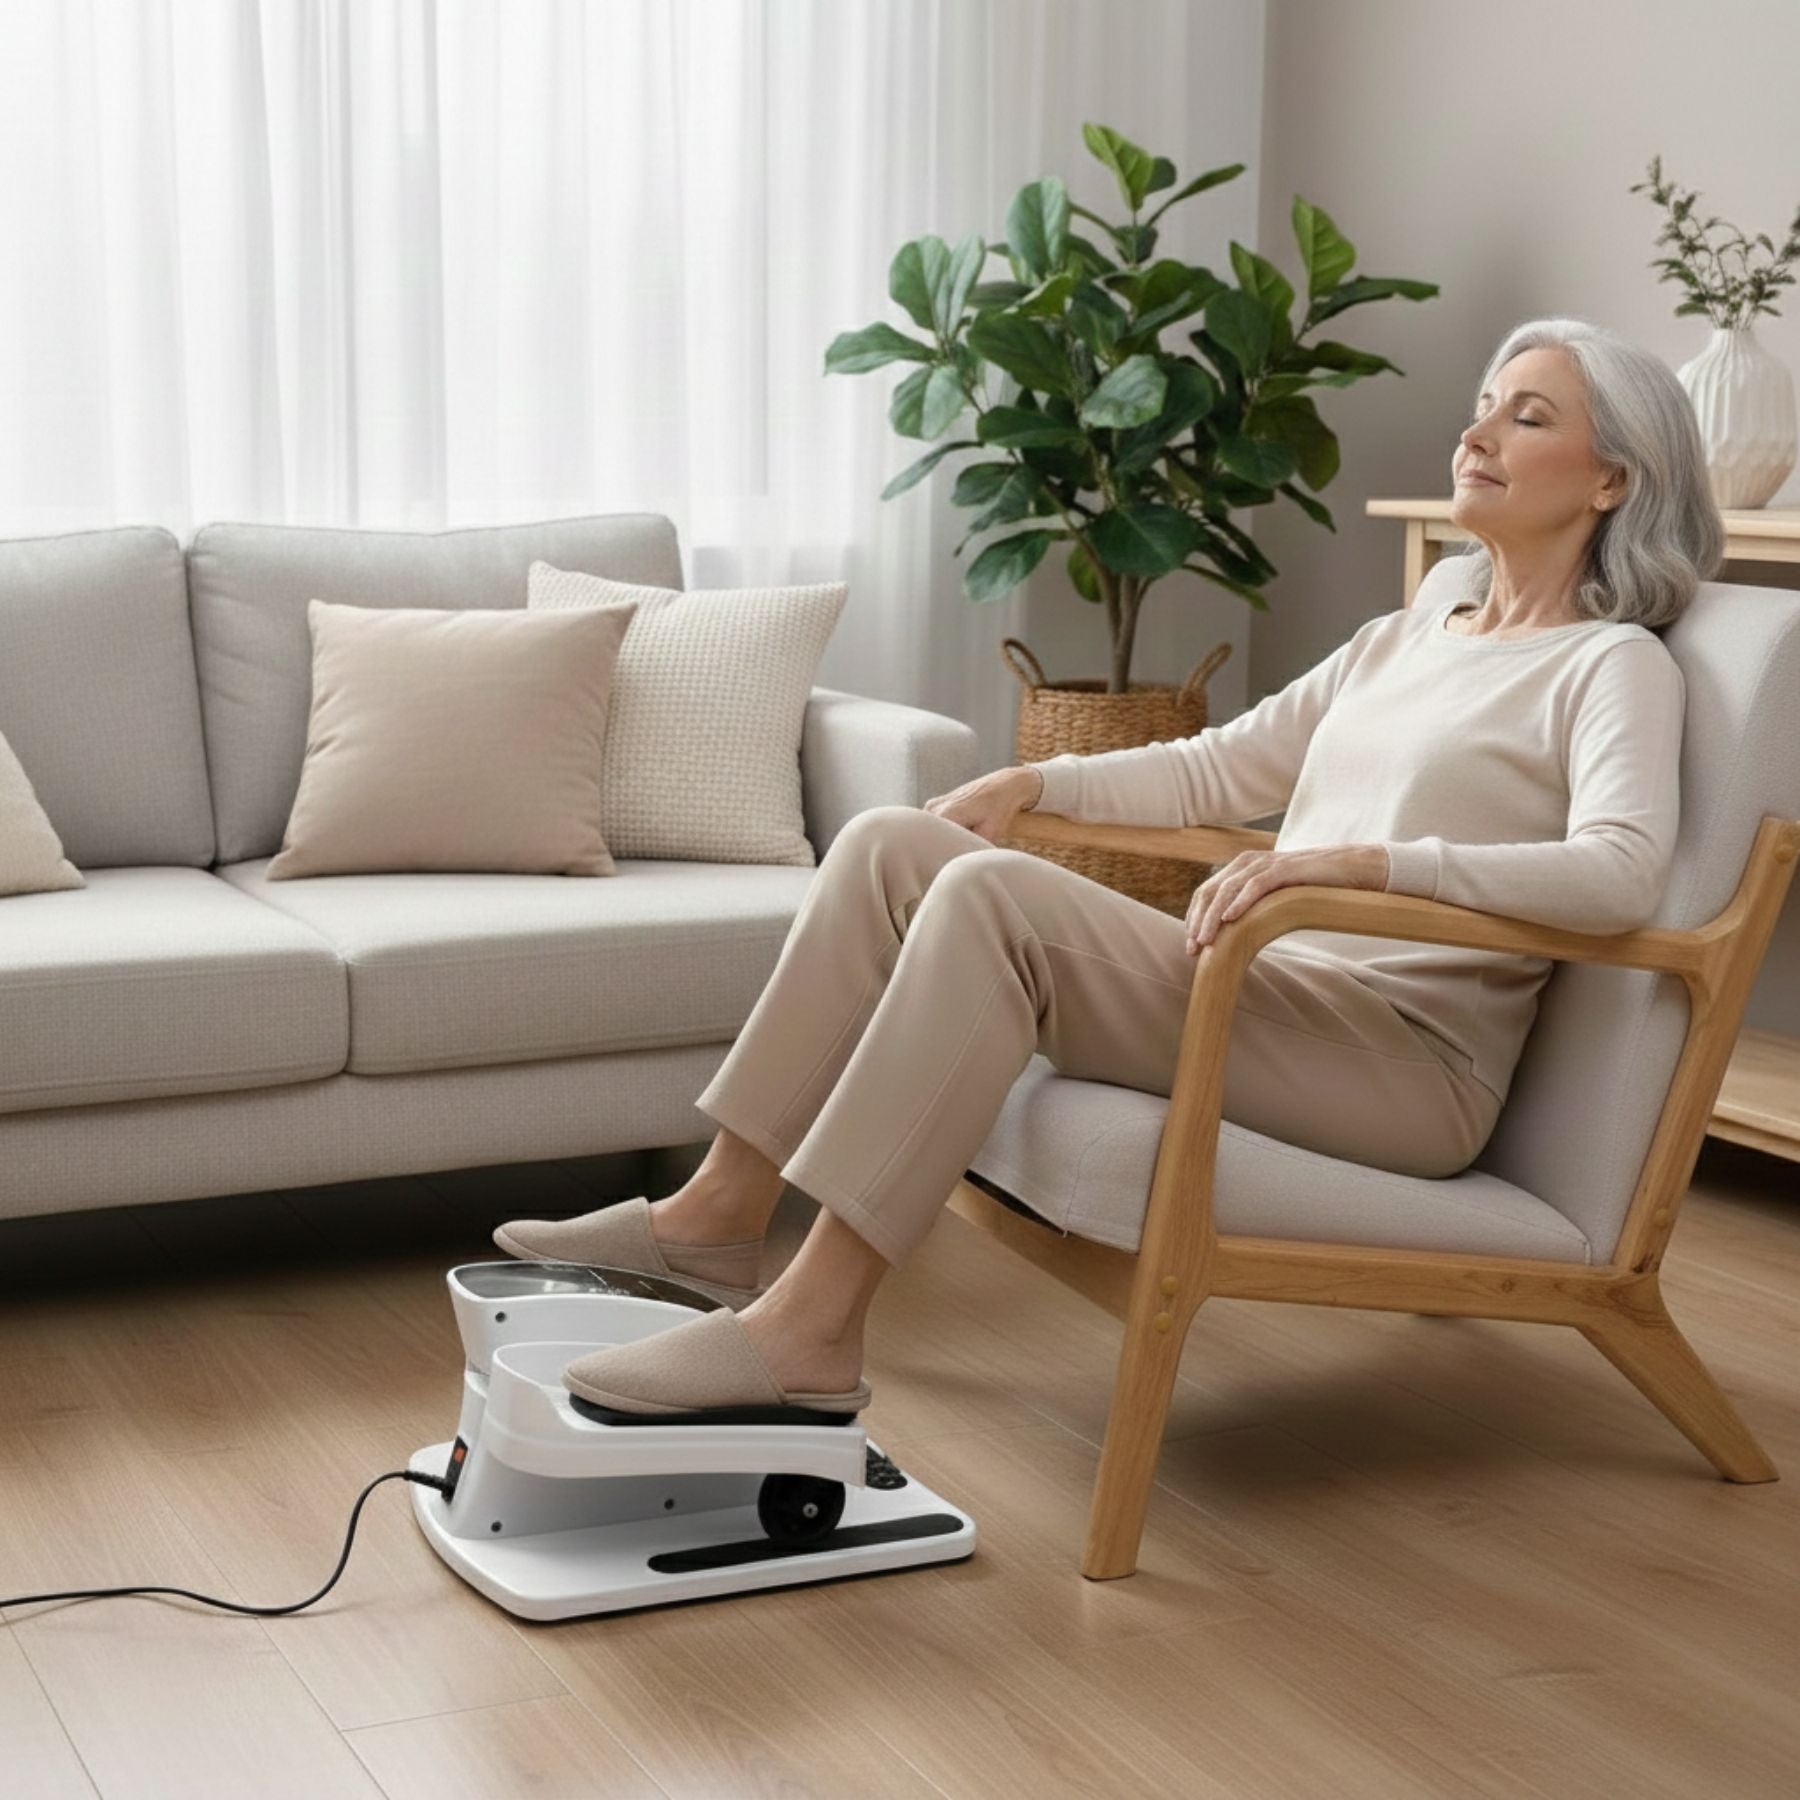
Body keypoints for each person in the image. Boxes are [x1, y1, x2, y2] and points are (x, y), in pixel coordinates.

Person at [497, 316, 1725, 1424]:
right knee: (891, 844)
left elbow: (1617, 875)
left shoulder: (1610, 665)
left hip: (1402, 1060)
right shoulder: (1415, 627)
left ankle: (810, 1332)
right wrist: (1036, 786)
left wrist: (1366, 862)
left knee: (986, 896)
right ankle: (713, 1220)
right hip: (1273, 993)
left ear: (1614, 478)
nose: (1478, 431)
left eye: (1530, 414)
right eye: (1487, 400)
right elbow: (1218, 769)